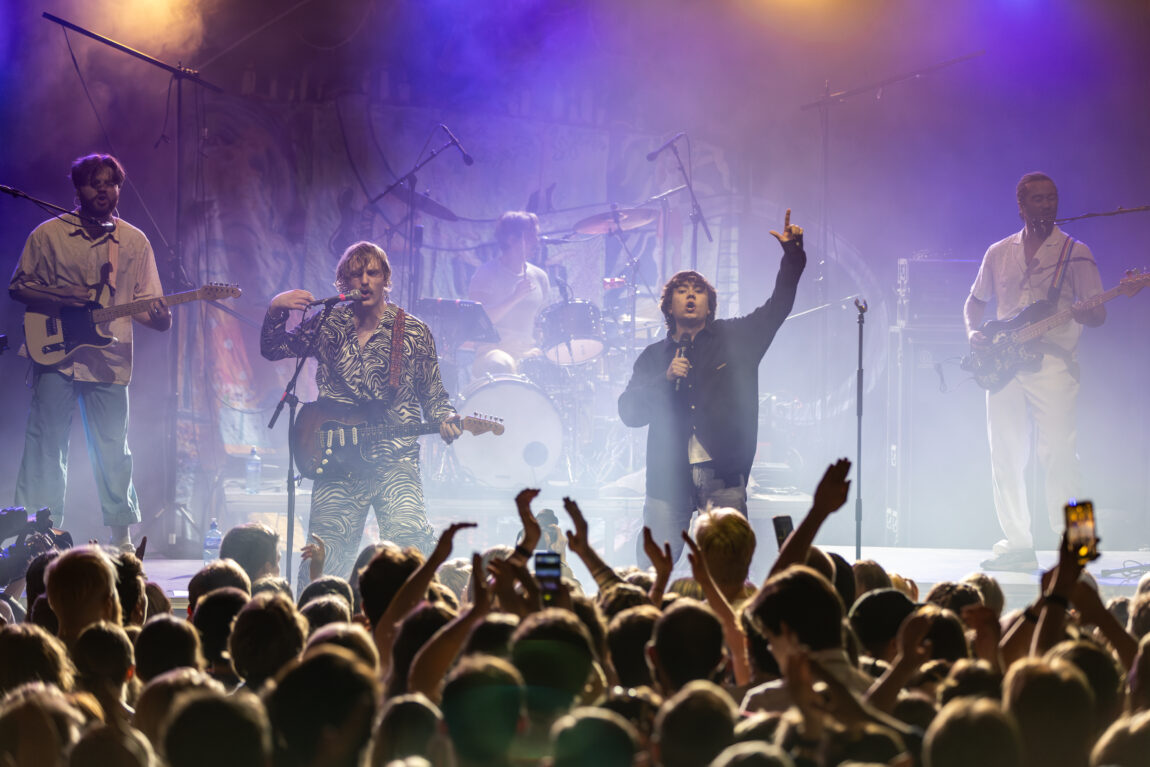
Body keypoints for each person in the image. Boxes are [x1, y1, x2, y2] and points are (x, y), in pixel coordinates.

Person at [261, 240, 461, 580]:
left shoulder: (412, 331)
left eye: (373, 272)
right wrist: (276, 309)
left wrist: (445, 418)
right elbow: (274, 347)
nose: (365, 281)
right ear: (343, 285)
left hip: (394, 461)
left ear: (386, 278)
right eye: (356, 275)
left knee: (412, 560)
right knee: (323, 564)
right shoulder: (327, 325)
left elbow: (434, 394)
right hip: (337, 462)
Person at [618, 210, 805, 564]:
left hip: (724, 475)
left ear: (709, 303)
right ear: (668, 305)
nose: (691, 296)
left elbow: (778, 306)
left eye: (699, 291)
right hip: (666, 477)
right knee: (651, 571)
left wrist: (792, 256)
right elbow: (628, 412)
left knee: (727, 567)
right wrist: (665, 379)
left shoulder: (736, 339)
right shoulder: (653, 357)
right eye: (682, 291)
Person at [9, 154, 170, 550]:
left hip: (109, 360)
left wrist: (161, 319)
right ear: (77, 190)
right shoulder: (49, 234)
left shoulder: (134, 241)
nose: (103, 189)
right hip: (55, 354)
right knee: (46, 446)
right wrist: (64, 295)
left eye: (111, 183)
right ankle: (36, 538)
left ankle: (122, 542)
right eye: (94, 183)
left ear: (119, 189)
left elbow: (151, 310)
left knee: (114, 450)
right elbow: (18, 287)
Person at [964, 172, 1105, 571]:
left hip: (1053, 363)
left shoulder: (1076, 252)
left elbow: (1099, 314)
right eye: (1038, 199)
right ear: (1021, 206)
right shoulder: (998, 252)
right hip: (1006, 362)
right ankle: (1018, 544)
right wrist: (974, 332)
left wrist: (1088, 311)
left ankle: (1080, 546)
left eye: (1052, 198)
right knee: (1005, 454)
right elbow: (973, 303)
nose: (1047, 205)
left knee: (1062, 454)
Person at [468, 210, 551, 376]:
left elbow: (543, 322)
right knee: (501, 363)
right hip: (493, 354)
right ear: (511, 239)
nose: (537, 241)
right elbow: (477, 323)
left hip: (528, 354)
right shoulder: (486, 273)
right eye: (530, 236)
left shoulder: (540, 276)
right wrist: (515, 297)